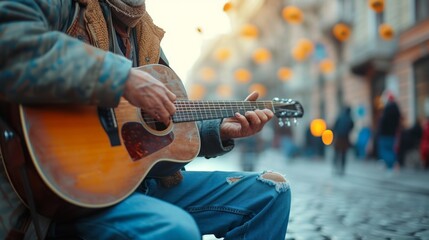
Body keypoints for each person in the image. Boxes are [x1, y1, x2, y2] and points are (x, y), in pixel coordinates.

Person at [0, 0, 291, 239]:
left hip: (140, 186)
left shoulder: (147, 34)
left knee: (271, 193)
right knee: (174, 230)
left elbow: (158, 132)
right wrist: (122, 78)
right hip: (70, 196)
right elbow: (9, 42)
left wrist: (219, 131)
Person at [376, 92, 402, 172]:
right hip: (392, 133)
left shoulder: (387, 109)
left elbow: (383, 122)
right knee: (391, 149)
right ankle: (393, 164)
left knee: (384, 150)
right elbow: (398, 121)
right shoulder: (396, 109)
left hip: (384, 134)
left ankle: (390, 166)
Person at [332, 106, 354, 175]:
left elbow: (334, 126)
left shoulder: (340, 117)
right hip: (345, 138)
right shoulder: (350, 118)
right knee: (343, 154)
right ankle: (342, 169)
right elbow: (352, 126)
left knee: (336, 153)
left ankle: (335, 166)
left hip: (338, 137)